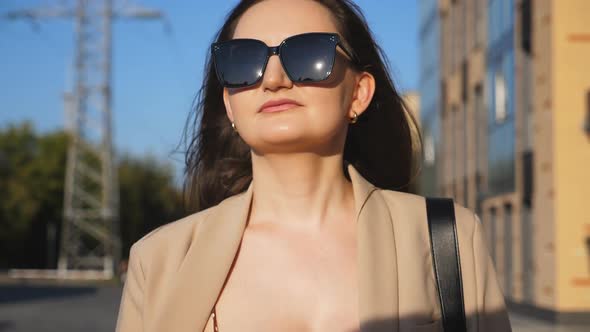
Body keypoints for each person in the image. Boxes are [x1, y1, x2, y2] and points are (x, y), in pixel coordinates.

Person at [115, 0, 511, 331]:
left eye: (307, 53)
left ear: (359, 93)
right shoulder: (158, 262)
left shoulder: (447, 240)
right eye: (243, 59)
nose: (273, 78)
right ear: (230, 104)